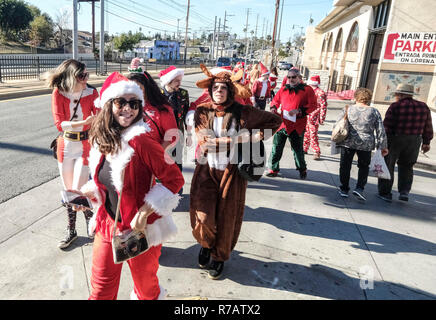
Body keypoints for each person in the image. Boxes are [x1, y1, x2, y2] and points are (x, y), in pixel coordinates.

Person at [77, 72, 184, 300]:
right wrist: (91, 193)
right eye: (121, 102)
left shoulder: (141, 140)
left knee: (146, 290)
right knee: (100, 290)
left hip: (140, 230)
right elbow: (105, 179)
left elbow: (175, 180)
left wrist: (145, 212)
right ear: (109, 105)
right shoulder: (101, 139)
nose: (128, 109)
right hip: (108, 225)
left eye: (134, 103)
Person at [190, 64, 282, 279]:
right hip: (206, 169)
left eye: (223, 88)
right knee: (202, 216)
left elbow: (275, 121)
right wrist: (242, 138)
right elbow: (206, 144)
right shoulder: (202, 111)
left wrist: (254, 136)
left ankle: (219, 256)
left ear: (230, 91)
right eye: (215, 88)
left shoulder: (244, 112)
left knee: (227, 217)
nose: (218, 91)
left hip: (233, 173)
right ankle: (206, 244)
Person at [47, 59, 98, 249]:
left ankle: (90, 223)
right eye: (82, 75)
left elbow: (99, 117)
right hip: (66, 146)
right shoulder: (58, 93)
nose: (86, 79)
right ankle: (72, 229)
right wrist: (84, 121)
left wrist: (95, 122)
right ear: (71, 76)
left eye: (87, 75)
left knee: (79, 190)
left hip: (85, 146)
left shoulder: (92, 92)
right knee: (69, 192)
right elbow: (59, 124)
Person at [378, 83, 433, 202]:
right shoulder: (423, 107)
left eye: (397, 94)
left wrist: (383, 143)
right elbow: (428, 126)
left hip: (396, 138)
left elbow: (387, 126)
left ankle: (385, 193)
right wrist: (426, 142)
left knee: (389, 165)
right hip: (414, 140)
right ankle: (404, 192)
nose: (396, 96)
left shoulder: (395, 106)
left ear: (401, 94)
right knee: (407, 166)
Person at [335, 88, 388, 201]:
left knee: (345, 165)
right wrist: (383, 146)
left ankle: (344, 189)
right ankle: (359, 188)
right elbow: (380, 130)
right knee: (363, 167)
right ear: (368, 98)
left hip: (348, 142)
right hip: (366, 144)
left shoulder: (347, 109)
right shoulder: (374, 111)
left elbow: (337, 124)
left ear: (356, 97)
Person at [265, 68, 317, 179]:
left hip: (297, 125)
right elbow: (275, 101)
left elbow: (313, 105)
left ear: (299, 78)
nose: (291, 79)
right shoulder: (283, 89)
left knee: (297, 150)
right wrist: (273, 108)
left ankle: (302, 169)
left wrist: (299, 111)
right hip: (282, 124)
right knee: (276, 148)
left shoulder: (307, 90)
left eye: (293, 77)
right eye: (289, 77)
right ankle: (273, 168)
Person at [126, 59, 178, 151]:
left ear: (147, 87)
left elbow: (172, 136)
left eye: (138, 88)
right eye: (130, 88)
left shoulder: (162, 108)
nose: (134, 92)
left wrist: (156, 155)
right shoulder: (123, 108)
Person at [159, 66, 190, 172]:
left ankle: (178, 187)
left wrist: (189, 134)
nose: (179, 83)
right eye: (176, 81)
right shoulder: (157, 95)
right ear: (168, 81)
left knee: (177, 163)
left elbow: (186, 115)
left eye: (180, 80)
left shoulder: (183, 94)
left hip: (178, 135)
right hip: (162, 137)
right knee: (162, 163)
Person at [303, 75, 327, 160]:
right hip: (306, 115)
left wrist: (321, 118)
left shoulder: (321, 93)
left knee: (313, 134)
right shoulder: (307, 91)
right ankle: (305, 148)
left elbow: (323, 106)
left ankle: (316, 151)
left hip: (314, 117)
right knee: (306, 133)